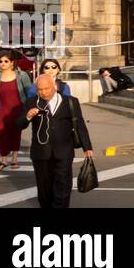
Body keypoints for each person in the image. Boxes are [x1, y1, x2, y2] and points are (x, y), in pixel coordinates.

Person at [19, 73, 93, 208]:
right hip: (41, 153)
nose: (43, 92)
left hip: (64, 150)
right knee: (44, 191)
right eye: (40, 89)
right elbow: (18, 125)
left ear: (54, 86)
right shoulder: (31, 102)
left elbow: (80, 125)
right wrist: (27, 116)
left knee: (63, 187)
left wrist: (87, 147)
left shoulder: (70, 101)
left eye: (46, 88)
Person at [0, 50, 33, 170]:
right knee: (0, 133)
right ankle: (3, 160)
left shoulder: (21, 75)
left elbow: (29, 92)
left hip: (16, 109)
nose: (3, 63)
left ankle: (14, 159)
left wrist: (29, 108)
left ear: (12, 63)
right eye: (0, 61)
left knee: (15, 133)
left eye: (6, 61)